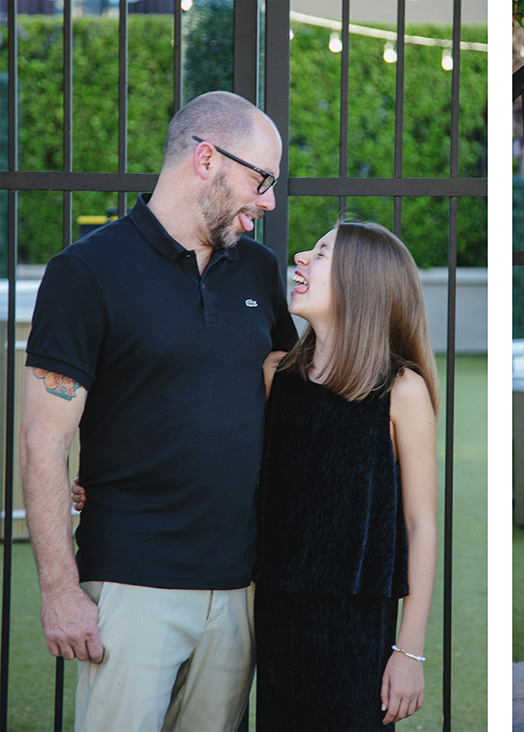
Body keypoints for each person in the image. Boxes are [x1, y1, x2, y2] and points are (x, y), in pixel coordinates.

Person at [20, 91, 298, 731]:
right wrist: (60, 591)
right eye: (261, 180)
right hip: (131, 586)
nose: (269, 201)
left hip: (238, 589)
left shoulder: (259, 270)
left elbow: (288, 400)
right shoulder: (85, 273)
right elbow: (42, 440)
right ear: (207, 159)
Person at [253, 222, 438, 731]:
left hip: (360, 633)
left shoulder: (402, 390)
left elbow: (420, 524)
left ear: (362, 282)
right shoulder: (274, 376)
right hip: (276, 619)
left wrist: (410, 651)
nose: (300, 257)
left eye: (321, 253)